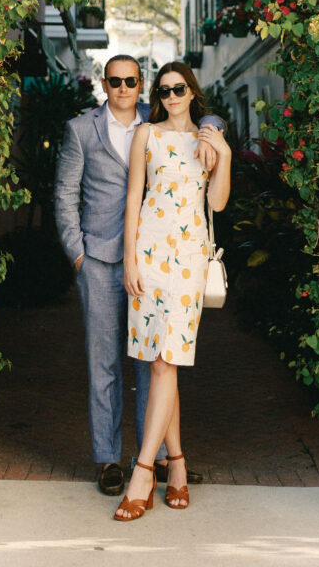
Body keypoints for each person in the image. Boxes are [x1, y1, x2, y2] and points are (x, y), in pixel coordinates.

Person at [54, 54, 224, 496]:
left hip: (154, 261)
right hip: (100, 260)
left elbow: (199, 118)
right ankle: (109, 459)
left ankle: (158, 459)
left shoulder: (154, 124)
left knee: (154, 362)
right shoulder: (81, 130)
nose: (123, 87)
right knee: (104, 363)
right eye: (115, 81)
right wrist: (78, 256)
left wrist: (216, 129)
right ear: (104, 84)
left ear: (141, 84)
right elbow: (64, 196)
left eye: (131, 80)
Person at [114, 61, 231, 520]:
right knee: (164, 364)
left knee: (167, 361)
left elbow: (217, 201)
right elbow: (133, 198)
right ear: (157, 96)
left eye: (179, 88)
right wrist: (128, 258)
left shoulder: (208, 139)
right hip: (148, 257)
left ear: (191, 90)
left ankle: (145, 470)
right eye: (163, 91)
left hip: (188, 262)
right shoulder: (147, 134)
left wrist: (221, 149)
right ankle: (177, 465)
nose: (171, 96)